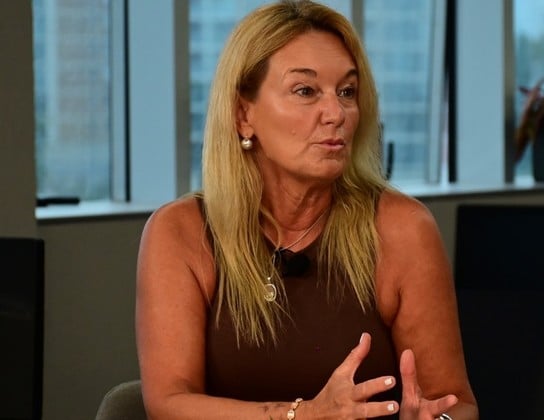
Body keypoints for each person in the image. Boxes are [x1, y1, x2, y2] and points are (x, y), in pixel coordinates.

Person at [135, 1, 478, 419]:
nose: (336, 114)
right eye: (305, 91)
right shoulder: (180, 232)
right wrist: (306, 415)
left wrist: (436, 419)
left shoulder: (402, 228)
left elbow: (457, 404)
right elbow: (168, 405)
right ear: (243, 115)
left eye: (347, 92)